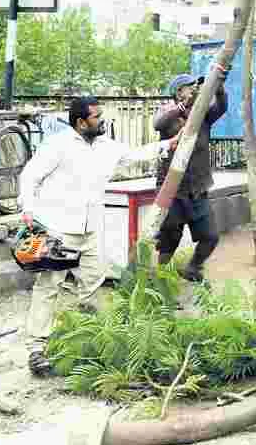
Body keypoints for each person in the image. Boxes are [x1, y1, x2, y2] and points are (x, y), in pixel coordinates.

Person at [19, 96, 177, 376]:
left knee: (93, 283)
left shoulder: (106, 146)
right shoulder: (58, 145)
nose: (102, 120)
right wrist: (28, 209)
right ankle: (36, 348)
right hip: (58, 228)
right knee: (48, 288)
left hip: (89, 229)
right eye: (97, 117)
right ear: (81, 122)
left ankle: (90, 337)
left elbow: (134, 155)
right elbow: (30, 175)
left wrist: (168, 145)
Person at [152, 73, 228, 281]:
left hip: (198, 188)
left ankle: (193, 268)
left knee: (210, 236)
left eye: (197, 86)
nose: (195, 88)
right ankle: (161, 281)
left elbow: (222, 107)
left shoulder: (202, 113)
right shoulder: (168, 111)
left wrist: (218, 87)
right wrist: (183, 106)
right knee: (169, 239)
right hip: (173, 189)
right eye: (190, 86)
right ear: (179, 92)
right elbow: (157, 124)